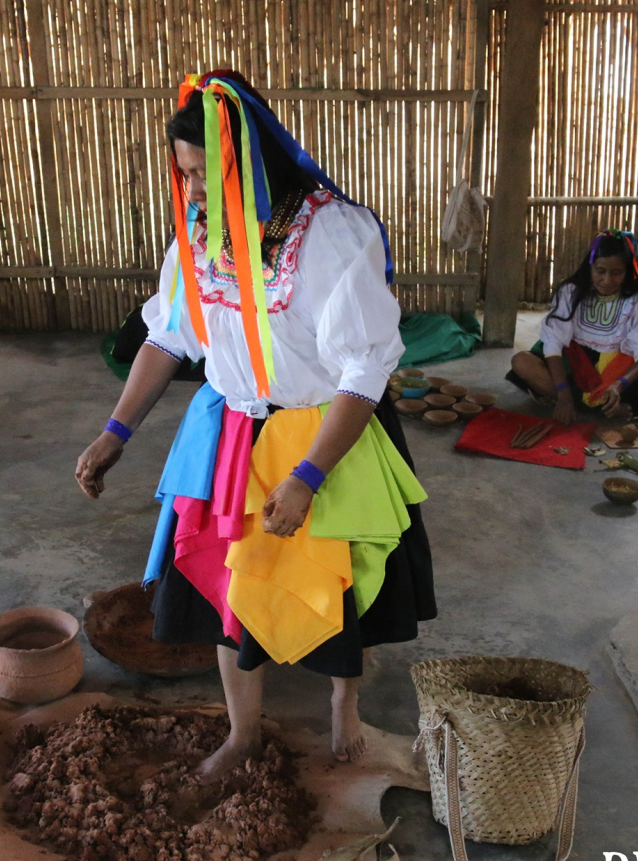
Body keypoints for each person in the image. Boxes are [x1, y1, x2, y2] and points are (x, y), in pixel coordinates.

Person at [75, 71, 434, 776]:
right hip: (231, 432)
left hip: (326, 428)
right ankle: (242, 731)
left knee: (338, 579)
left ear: (250, 163)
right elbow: (168, 337)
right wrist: (115, 431)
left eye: (205, 177)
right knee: (226, 588)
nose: (195, 195)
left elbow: (364, 368)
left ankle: (343, 701)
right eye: (184, 178)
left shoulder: (328, 234)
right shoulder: (200, 237)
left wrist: (308, 474)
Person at [506, 230, 638, 424]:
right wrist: (563, 391)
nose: (607, 280)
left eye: (616, 273)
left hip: (616, 367)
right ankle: (595, 405)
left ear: (627, 272)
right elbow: (553, 343)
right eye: (600, 271)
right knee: (522, 362)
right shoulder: (570, 292)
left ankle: (593, 402)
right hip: (575, 362)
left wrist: (617, 386)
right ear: (590, 267)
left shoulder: (637, 303)